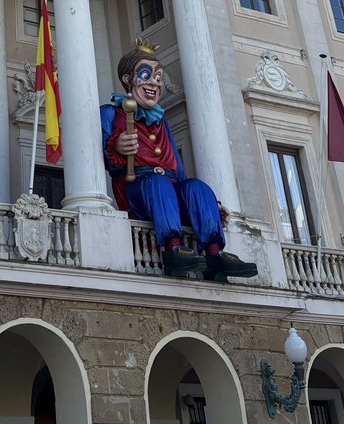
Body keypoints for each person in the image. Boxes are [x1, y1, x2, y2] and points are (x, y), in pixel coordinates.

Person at [101, 42, 258, 281]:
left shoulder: (160, 122)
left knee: (197, 187)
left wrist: (209, 206)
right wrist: (118, 147)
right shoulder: (111, 113)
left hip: (169, 187)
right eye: (146, 75)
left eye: (158, 76)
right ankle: (173, 248)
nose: (154, 82)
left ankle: (215, 253)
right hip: (137, 188)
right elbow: (106, 160)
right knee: (158, 184)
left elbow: (178, 170)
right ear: (127, 78)